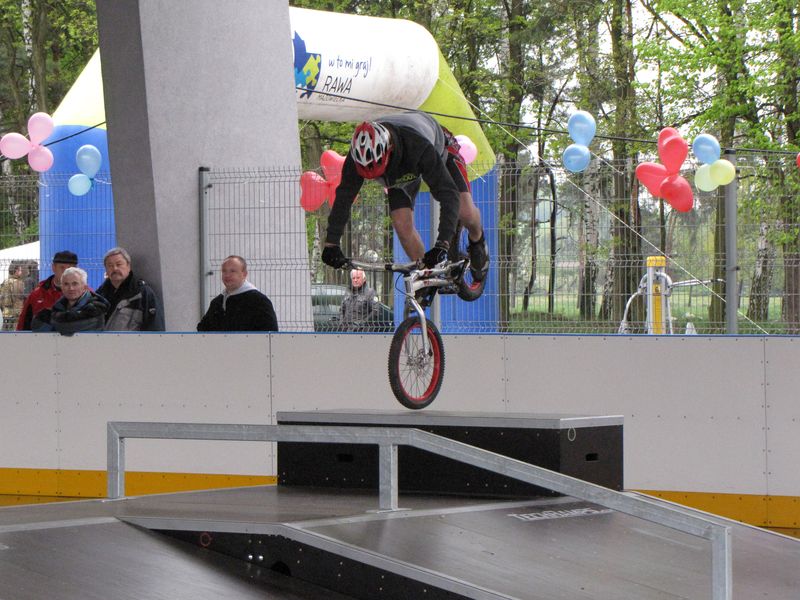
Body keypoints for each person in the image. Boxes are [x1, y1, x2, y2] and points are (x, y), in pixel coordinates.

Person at [321, 111, 489, 281]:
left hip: (438, 147)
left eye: (379, 169)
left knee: (465, 211)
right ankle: (426, 275)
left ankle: (477, 240)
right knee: (401, 225)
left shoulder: (417, 146)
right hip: (399, 171)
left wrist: (442, 245)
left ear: (389, 148)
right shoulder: (357, 157)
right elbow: (343, 198)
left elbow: (449, 194)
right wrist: (331, 243)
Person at [197, 255, 278, 332]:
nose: (227, 275)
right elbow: (203, 330)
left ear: (244, 274)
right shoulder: (217, 302)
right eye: (224, 271)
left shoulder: (259, 301)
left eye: (232, 271)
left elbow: (270, 334)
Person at [96, 247, 165, 331]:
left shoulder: (141, 294)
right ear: (106, 269)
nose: (115, 268)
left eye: (119, 264)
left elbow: (155, 327)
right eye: (110, 265)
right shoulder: (99, 295)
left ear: (128, 266)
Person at [31, 267, 109, 335]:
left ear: (84, 287)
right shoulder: (58, 306)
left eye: (75, 284)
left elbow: (69, 327)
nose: (71, 288)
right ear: (61, 287)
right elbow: (37, 326)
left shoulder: (96, 307)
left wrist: (51, 320)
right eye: (66, 284)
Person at [16, 250, 79, 331]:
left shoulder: (85, 295)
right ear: (53, 268)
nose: (66, 272)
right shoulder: (37, 295)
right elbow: (23, 326)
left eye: (70, 268)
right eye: (62, 267)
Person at [0, 261, 26, 330]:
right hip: (15, 314)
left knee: (5, 333)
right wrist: (20, 312)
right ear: (16, 271)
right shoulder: (17, 283)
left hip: (6, 312)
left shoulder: (5, 281)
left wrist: (3, 309)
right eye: (20, 270)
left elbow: (1, 298)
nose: (21, 272)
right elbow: (18, 299)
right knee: (15, 333)